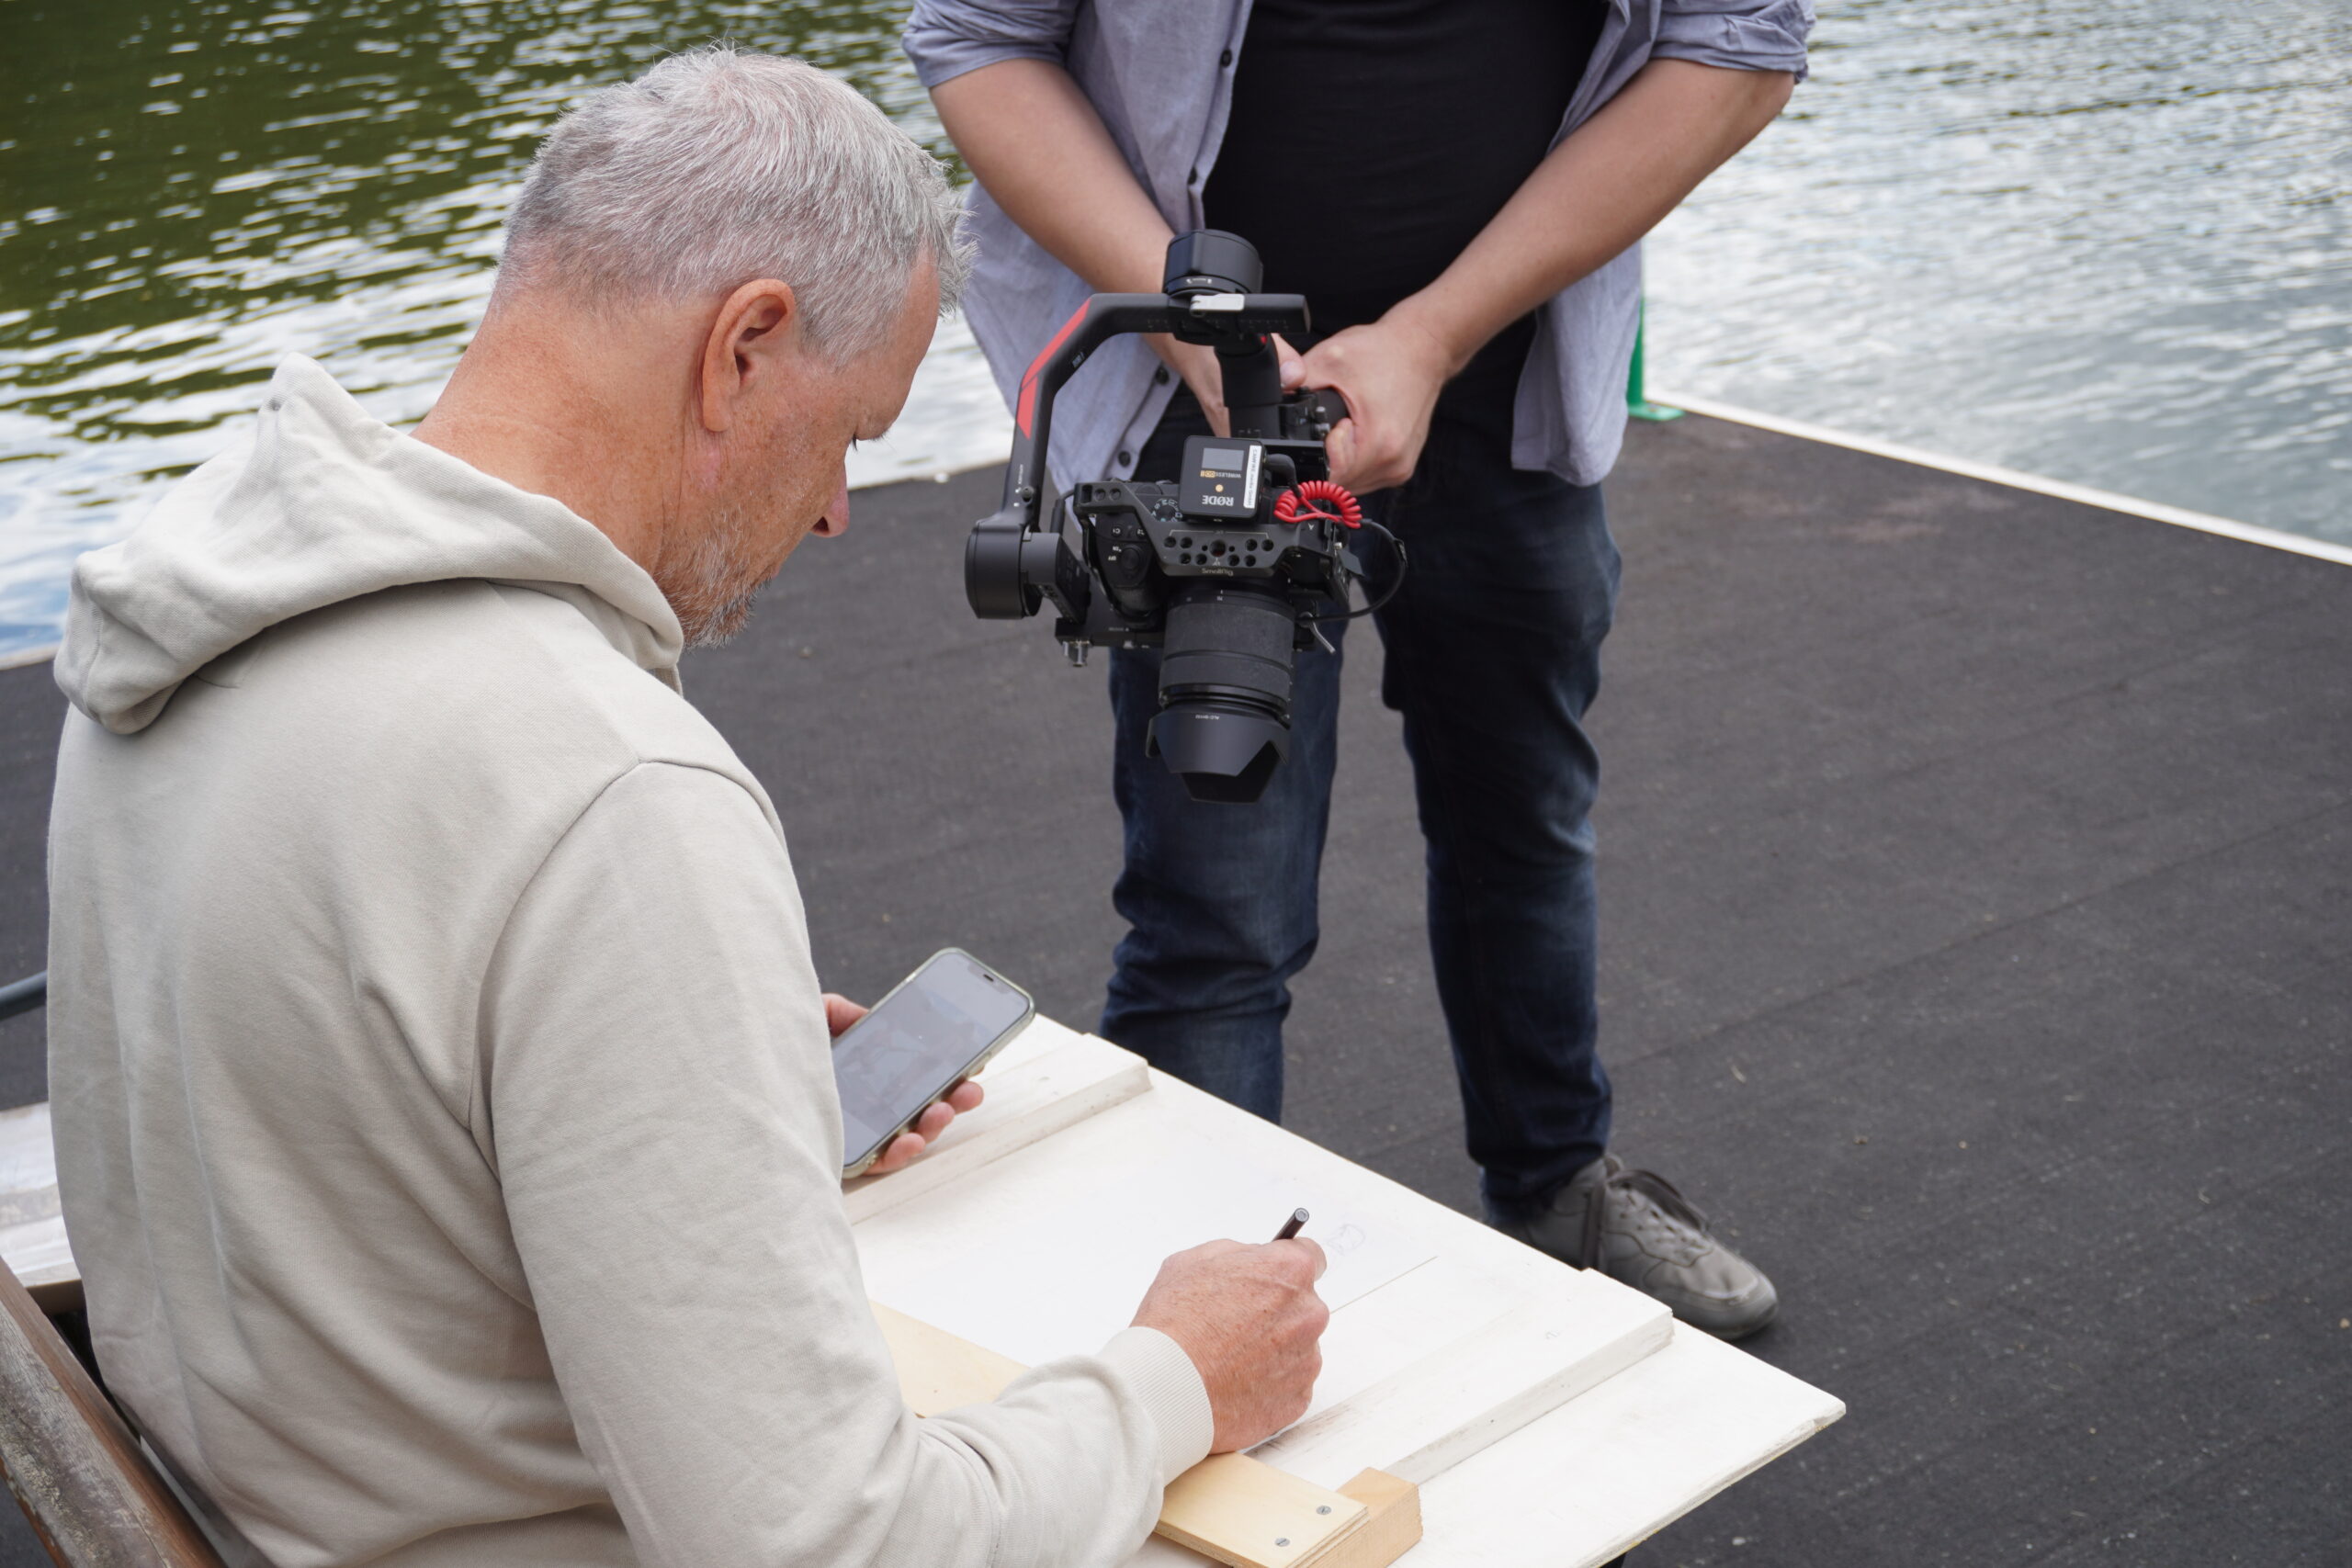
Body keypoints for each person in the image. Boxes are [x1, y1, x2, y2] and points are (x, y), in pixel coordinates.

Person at [47, 48, 1326, 1566]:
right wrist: (1175, 1378)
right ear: (743, 347)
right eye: (850, 436)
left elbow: (326, 1111)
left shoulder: (195, 614)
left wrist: (699, 1100)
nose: (839, 509)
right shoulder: (607, 793)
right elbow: (830, 1550)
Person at [905, 0, 1811, 1339]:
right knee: (1216, 910)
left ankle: (1558, 1185)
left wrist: (1435, 337)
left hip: (1509, 392)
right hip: (1203, 409)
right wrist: (1204, 337)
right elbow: (980, 36)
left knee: (1524, 826)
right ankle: (1181, 1317)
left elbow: (1741, 44)